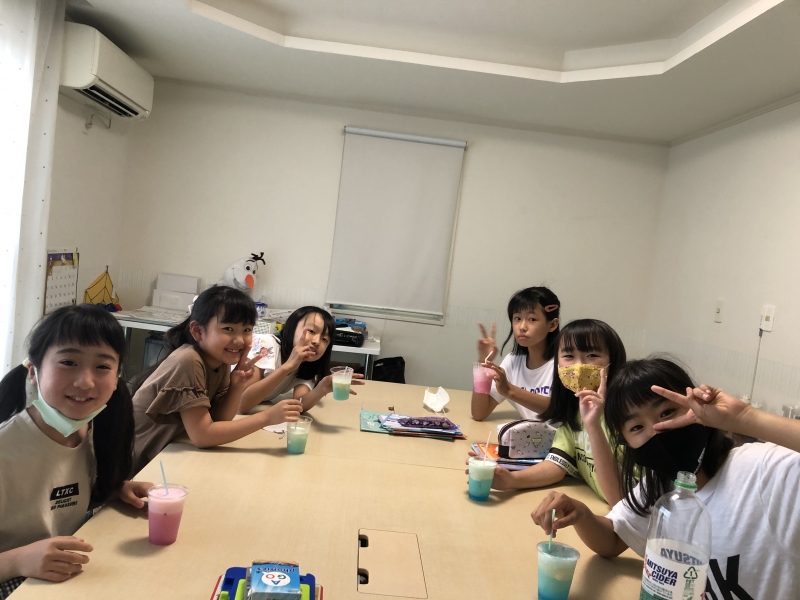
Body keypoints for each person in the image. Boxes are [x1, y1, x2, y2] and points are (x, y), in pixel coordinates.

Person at [530, 357, 800, 599]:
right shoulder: (660, 485)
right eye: (637, 427)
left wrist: (744, 418)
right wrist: (581, 514)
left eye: (667, 413)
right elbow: (612, 540)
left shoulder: (763, 471)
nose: (656, 430)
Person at [0, 305, 151, 598]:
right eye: (68, 362)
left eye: (102, 367)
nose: (85, 381)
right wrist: (17, 560)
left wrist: (113, 489)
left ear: (117, 376)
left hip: (69, 573)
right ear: (33, 371)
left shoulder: (97, 429)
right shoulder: (6, 448)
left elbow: (57, 495)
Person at [130, 286, 300, 474]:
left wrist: (237, 385)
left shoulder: (220, 360)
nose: (239, 340)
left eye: (246, 330)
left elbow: (219, 419)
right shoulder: (189, 360)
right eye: (228, 329)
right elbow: (202, 436)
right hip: (137, 467)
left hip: (167, 457)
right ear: (197, 331)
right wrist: (266, 418)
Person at [472, 319, 626, 504]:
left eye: (592, 355)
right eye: (569, 356)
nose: (578, 365)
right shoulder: (574, 413)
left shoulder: (626, 414)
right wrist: (510, 480)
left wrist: (593, 426)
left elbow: (622, 501)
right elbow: (556, 465)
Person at [238, 306, 364, 414]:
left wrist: (321, 389)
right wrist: (287, 366)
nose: (316, 341)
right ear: (292, 327)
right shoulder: (267, 346)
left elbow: (299, 404)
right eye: (311, 331)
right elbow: (241, 404)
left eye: (324, 339)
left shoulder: (306, 364)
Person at [471, 286, 560, 421]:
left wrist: (509, 390)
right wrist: (483, 362)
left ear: (552, 325)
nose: (522, 327)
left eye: (532, 319)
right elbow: (479, 413)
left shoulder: (565, 363)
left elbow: (559, 411)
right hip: (528, 433)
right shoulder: (513, 360)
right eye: (517, 318)